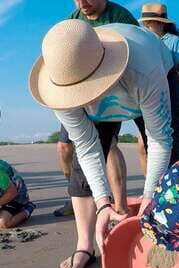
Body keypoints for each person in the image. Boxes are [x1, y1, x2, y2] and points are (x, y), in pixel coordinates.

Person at [29, 20, 179, 268]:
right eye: (76, 93)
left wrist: (148, 197)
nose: (85, 98)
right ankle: (85, 246)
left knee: (170, 165)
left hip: (150, 75)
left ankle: (175, 235)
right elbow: (87, 147)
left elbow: (159, 139)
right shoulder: (59, 81)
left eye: (86, 90)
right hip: (103, 78)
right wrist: (103, 204)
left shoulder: (144, 70)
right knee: (80, 168)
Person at [53, 0, 140, 218]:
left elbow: (136, 61)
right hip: (80, 91)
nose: (83, 3)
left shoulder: (120, 18)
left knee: (108, 145)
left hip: (111, 91)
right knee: (64, 147)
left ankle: (119, 204)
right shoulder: (73, 21)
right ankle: (80, 195)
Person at [137, 2, 179, 174]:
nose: (144, 26)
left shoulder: (174, 42)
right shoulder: (144, 43)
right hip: (148, 103)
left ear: (160, 23)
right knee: (143, 147)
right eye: (144, 23)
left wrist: (163, 87)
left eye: (149, 22)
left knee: (175, 150)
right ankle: (152, 191)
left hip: (173, 103)